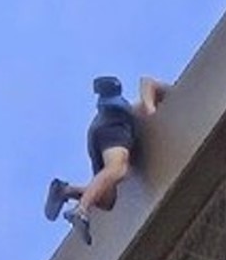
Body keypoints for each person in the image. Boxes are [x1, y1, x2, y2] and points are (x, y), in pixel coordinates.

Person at [44, 75, 169, 245]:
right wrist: (150, 108)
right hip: (113, 125)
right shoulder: (133, 105)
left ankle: (65, 191)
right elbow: (147, 81)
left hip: (101, 131)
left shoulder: (126, 108)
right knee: (118, 168)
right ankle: (81, 210)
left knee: (106, 200)